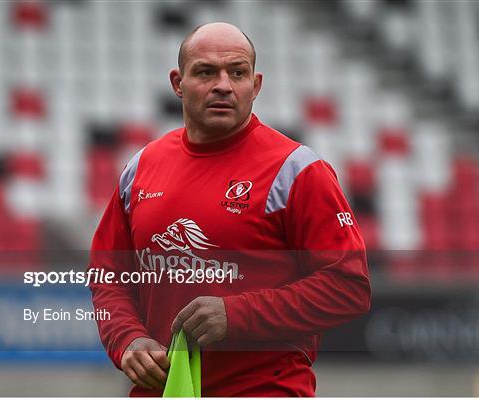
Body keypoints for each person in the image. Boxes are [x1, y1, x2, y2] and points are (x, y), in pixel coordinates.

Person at [89, 22, 371, 397]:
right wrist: (126, 339)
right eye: (206, 72)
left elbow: (348, 287)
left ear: (254, 86)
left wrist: (236, 315)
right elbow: (108, 271)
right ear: (178, 83)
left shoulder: (297, 170)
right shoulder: (142, 167)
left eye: (237, 73)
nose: (223, 84)